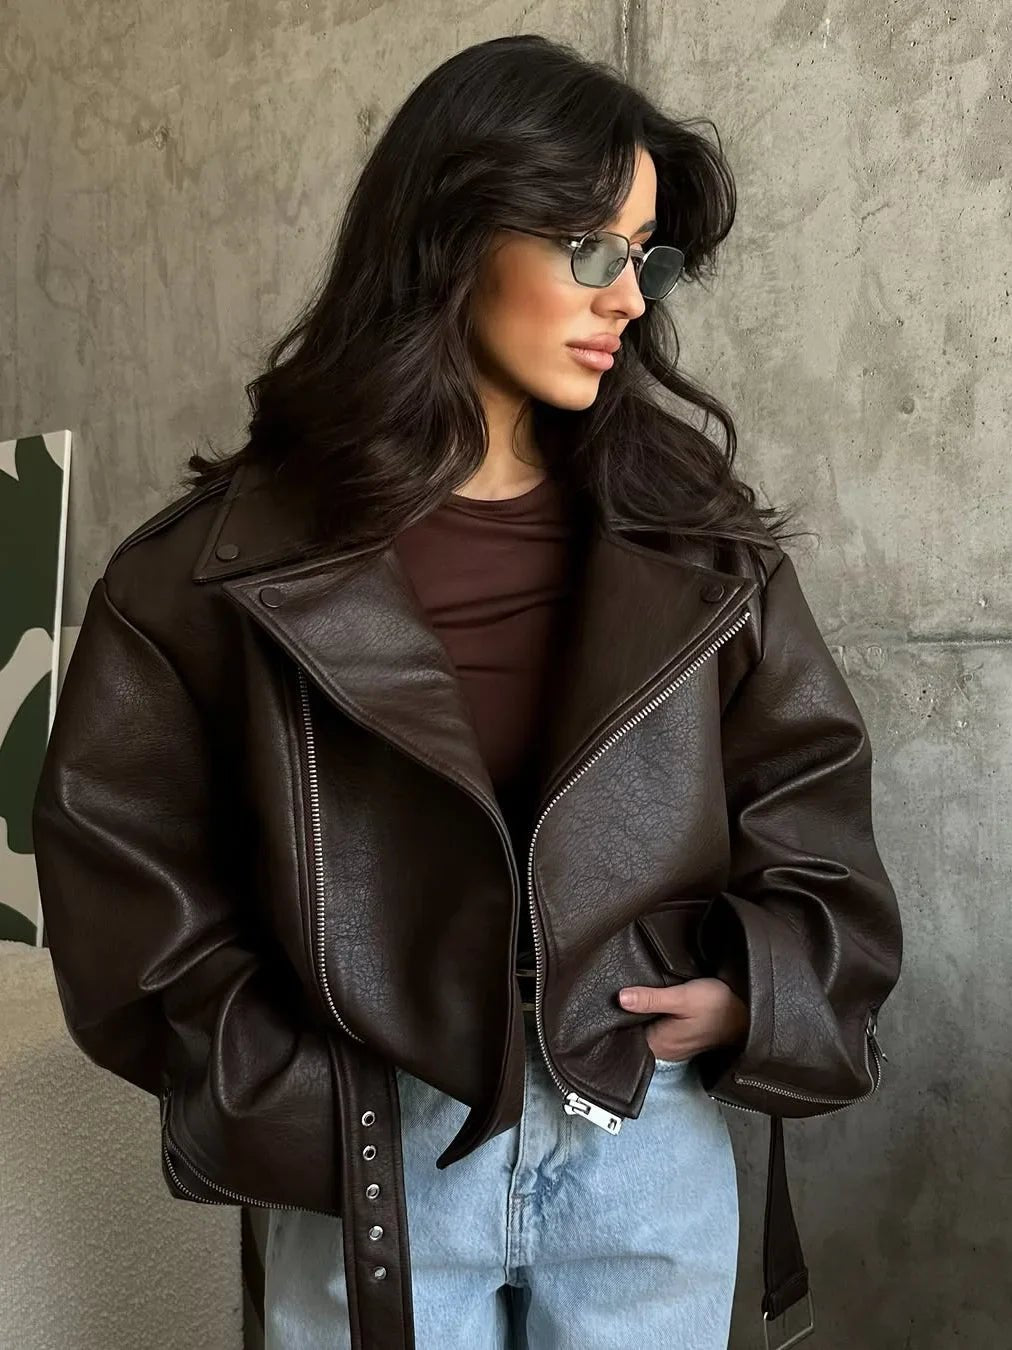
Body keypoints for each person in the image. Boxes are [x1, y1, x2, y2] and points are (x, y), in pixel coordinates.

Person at [31, 33, 902, 1350]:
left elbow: (813, 809)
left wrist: (757, 988)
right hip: (368, 1145)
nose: (630, 298)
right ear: (451, 235)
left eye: (647, 256)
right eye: (589, 250)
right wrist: (295, 1081)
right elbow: (121, 874)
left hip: (643, 1130)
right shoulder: (215, 568)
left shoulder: (699, 545)